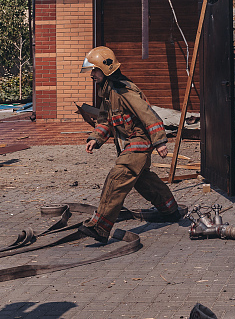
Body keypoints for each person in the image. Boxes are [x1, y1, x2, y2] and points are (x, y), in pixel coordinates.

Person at [78, 46, 185, 242]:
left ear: (106, 68)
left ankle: (100, 227)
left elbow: (147, 114)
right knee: (143, 181)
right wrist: (95, 138)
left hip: (140, 141)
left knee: (118, 177)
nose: (92, 74)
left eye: (94, 70)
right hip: (130, 143)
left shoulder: (123, 90)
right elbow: (104, 121)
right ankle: (170, 210)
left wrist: (160, 141)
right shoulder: (108, 92)